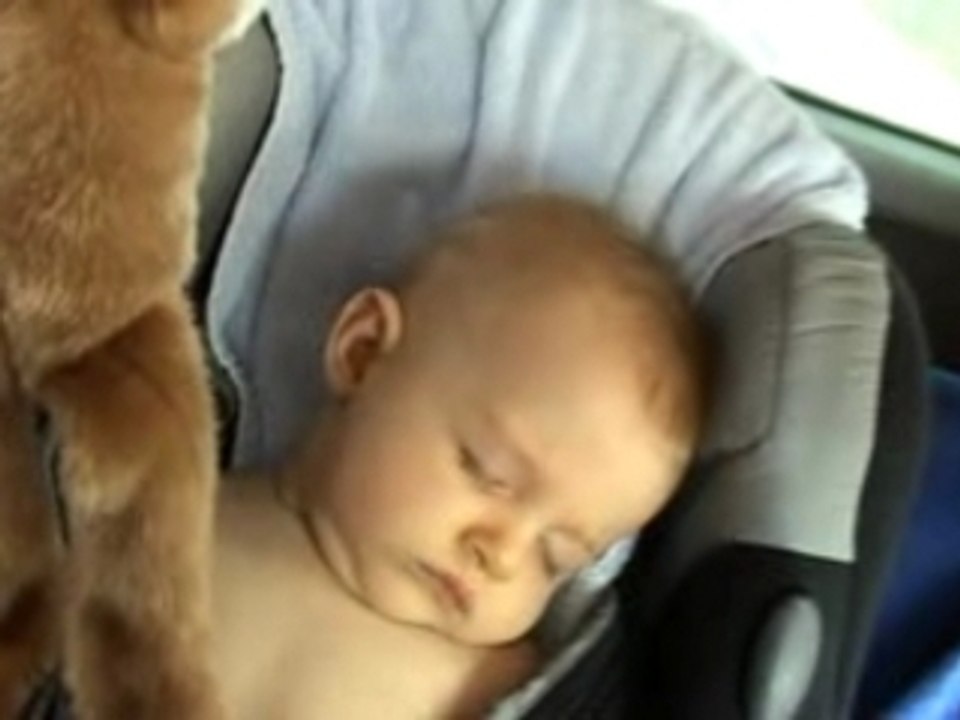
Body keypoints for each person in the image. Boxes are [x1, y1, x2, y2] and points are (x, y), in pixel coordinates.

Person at [210, 194, 707, 719]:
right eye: (489, 473)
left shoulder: (485, 681)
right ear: (364, 353)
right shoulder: (188, 493)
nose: (502, 555)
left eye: (553, 559)